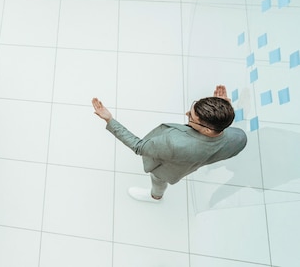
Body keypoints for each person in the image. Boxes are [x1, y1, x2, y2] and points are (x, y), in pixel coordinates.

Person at [91, 85, 247, 202]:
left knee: (158, 180)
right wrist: (223, 105)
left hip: (168, 169)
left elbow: (138, 146)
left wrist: (109, 120)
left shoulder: (174, 143)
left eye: (191, 117)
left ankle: (155, 196)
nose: (187, 114)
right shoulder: (239, 137)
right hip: (201, 158)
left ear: (207, 130)